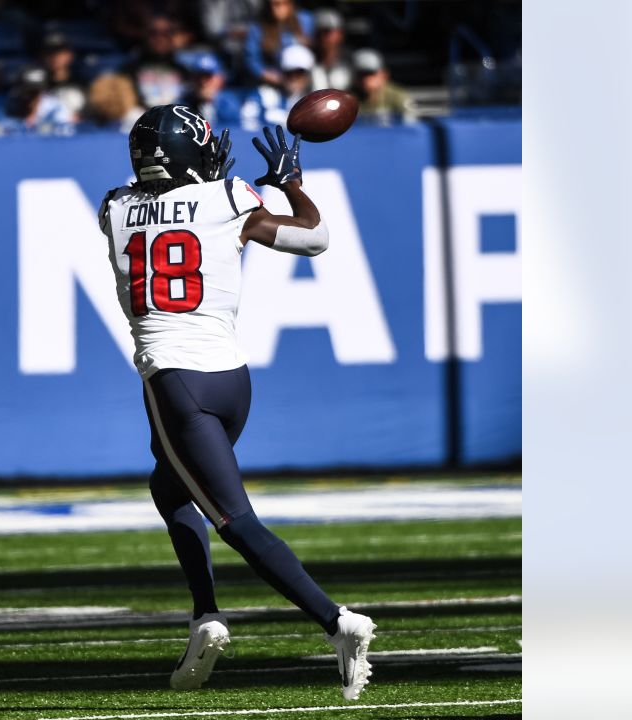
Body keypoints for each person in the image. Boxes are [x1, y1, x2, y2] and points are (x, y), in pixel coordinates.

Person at [96, 106, 377, 700]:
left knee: (234, 520)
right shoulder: (231, 196)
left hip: (175, 384)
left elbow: (156, 204)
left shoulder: (114, 209)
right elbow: (314, 236)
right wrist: (288, 180)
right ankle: (205, 616)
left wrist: (200, 181)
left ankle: (337, 622)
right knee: (169, 488)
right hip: (231, 382)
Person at [238, 44, 314, 129]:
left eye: (299, 73)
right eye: (289, 73)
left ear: (307, 76)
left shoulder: (312, 101)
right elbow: (247, 126)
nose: (294, 78)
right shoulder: (262, 96)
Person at [122, 16, 190, 108]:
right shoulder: (129, 70)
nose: (160, 38)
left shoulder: (184, 71)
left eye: (166, 33)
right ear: (145, 35)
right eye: (154, 33)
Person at [243, 0, 313, 86]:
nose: (276, 8)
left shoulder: (306, 21)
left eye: (281, 4)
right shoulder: (258, 29)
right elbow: (251, 59)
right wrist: (271, 77)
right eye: (273, 4)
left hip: (306, 75)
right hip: (276, 79)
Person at [352, 48, 415, 124]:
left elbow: (411, 123)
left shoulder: (396, 96)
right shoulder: (349, 98)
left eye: (370, 73)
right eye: (360, 74)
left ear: (383, 74)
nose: (365, 79)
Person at [179, 52, 242, 126]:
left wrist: (212, 101)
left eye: (208, 77)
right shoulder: (185, 101)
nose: (203, 82)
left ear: (220, 78)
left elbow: (234, 127)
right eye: (198, 76)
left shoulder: (230, 101)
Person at [39, 31, 86, 122]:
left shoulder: (82, 84)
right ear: (42, 56)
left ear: (69, 55)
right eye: (49, 52)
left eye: (59, 52)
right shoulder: (36, 84)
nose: (54, 57)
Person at [310, 8, 353, 92]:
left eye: (327, 32)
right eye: (319, 32)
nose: (322, 37)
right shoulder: (308, 60)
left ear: (340, 34)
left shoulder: (351, 62)